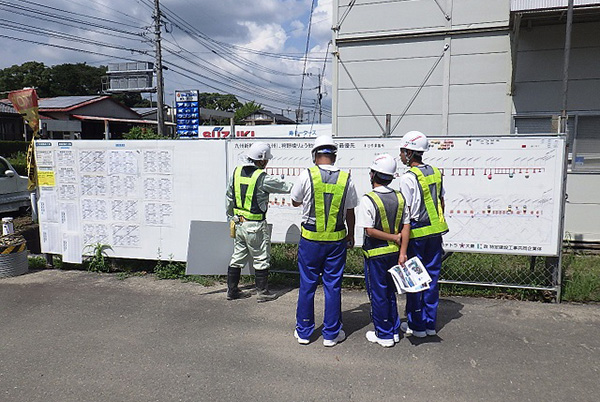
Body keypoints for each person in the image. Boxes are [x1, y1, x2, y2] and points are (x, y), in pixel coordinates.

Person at [291, 135, 358, 346]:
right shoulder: (346, 178)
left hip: (310, 240)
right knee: (333, 286)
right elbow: (350, 211)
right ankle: (331, 334)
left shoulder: (306, 175)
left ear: (315, 154)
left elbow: (295, 201)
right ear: (334, 155)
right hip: (337, 241)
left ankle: (304, 332)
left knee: (307, 285)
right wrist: (351, 235)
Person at [226, 142, 292, 302]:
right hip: (255, 226)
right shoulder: (262, 178)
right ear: (261, 160)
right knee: (261, 258)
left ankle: (232, 291)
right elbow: (285, 187)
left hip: (238, 224)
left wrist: (230, 216)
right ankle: (262, 293)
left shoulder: (236, 172)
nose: (267, 163)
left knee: (237, 257)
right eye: (266, 160)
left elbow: (229, 197)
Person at [397, 131, 449, 337]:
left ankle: (416, 325)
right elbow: (441, 202)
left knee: (415, 280)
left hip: (417, 234)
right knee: (432, 279)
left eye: (402, 151)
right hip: (435, 233)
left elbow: (406, 213)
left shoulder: (408, 178)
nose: (400, 155)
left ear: (409, 152)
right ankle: (429, 323)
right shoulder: (436, 172)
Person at [357, 154, 410, 347]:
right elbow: (406, 225)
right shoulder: (399, 197)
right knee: (390, 293)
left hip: (376, 255)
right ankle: (394, 329)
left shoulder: (368, 199)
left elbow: (370, 231)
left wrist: (392, 237)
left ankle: (384, 334)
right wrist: (402, 250)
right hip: (396, 254)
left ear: (373, 175)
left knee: (378, 294)